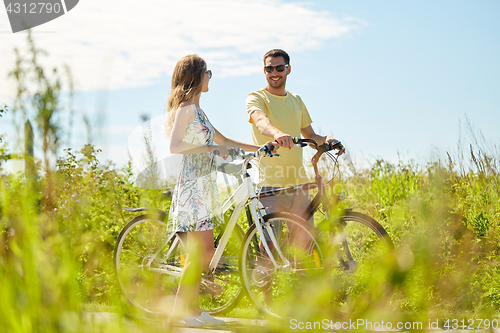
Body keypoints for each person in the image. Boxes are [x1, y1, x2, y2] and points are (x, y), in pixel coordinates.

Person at [165, 55, 274, 327]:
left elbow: (223, 139)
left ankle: (193, 310)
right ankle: (179, 313)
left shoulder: (199, 111)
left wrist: (259, 148)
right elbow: (175, 146)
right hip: (193, 187)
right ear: (196, 76)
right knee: (199, 253)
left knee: (205, 251)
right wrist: (211, 149)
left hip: (204, 186)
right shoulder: (185, 109)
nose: (210, 77)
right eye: (208, 72)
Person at [246, 48, 345, 228]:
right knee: (270, 244)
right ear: (264, 71)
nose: (274, 73)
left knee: (305, 243)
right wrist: (277, 133)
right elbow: (260, 120)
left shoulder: (296, 100)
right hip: (270, 183)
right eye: (269, 69)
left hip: (299, 183)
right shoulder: (256, 97)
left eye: (279, 68)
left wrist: (328, 139)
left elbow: (311, 136)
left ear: (288, 69)